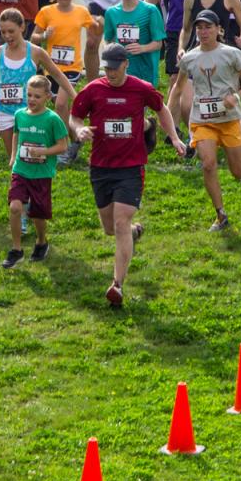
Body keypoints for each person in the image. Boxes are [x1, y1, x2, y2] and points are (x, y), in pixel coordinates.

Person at [69, 42, 185, 306]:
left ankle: (117, 285)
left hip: (131, 167)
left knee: (120, 222)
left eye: (114, 67)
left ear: (125, 64)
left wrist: (175, 139)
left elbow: (162, 109)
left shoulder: (141, 88)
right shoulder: (93, 90)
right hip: (100, 166)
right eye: (106, 68)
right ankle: (133, 232)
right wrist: (78, 130)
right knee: (111, 228)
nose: (109, 72)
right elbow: (75, 116)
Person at [168, 9, 241, 229]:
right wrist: (170, 123)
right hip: (202, 119)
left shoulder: (231, 54)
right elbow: (178, 89)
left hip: (229, 119)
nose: (203, 31)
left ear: (219, 30)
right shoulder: (189, 58)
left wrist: (235, 97)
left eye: (208, 27)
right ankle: (220, 215)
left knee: (237, 171)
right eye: (199, 27)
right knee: (208, 164)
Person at [0, 7, 77, 162]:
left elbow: (58, 75)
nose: (7, 36)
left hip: (30, 111)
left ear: (22, 27)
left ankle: (36, 183)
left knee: (31, 158)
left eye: (11, 31)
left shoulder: (35, 52)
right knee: (14, 160)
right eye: (3, 31)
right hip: (4, 111)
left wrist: (76, 96)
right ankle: (18, 185)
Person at [4, 74, 70, 266]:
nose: (32, 100)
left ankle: (41, 241)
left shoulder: (53, 119)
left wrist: (43, 151)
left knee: (38, 214)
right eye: (30, 95)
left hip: (41, 174)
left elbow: (63, 146)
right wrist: (13, 155)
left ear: (47, 97)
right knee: (15, 207)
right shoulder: (20, 115)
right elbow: (17, 133)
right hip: (21, 170)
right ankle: (16, 249)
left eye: (37, 96)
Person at [32, 0, 99, 143]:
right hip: (52, 67)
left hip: (72, 66)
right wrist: (45, 35)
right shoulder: (46, 12)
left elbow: (93, 27)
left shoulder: (81, 11)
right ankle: (75, 139)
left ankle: (63, 144)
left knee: (61, 104)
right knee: (61, 108)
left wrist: (94, 37)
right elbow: (34, 38)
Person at [101, 0, 167, 98]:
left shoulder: (150, 10)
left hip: (145, 68)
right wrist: (110, 53)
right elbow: (107, 39)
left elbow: (158, 43)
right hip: (121, 69)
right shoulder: (111, 12)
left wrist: (142, 48)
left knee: (140, 109)